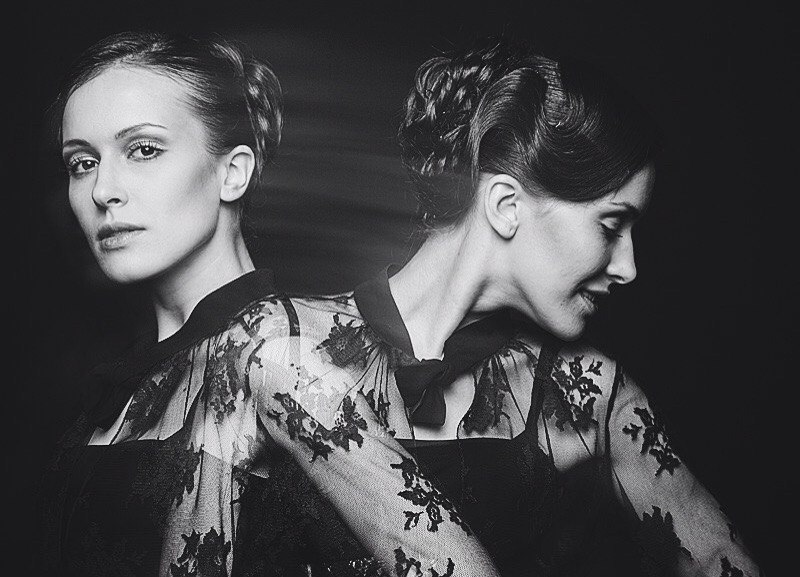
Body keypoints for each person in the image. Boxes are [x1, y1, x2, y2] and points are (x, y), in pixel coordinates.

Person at [228, 37, 764, 576]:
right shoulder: (277, 344)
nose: (628, 267)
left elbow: (720, 558)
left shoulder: (587, 391)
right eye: (611, 225)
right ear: (507, 206)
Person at [37, 30, 498, 577]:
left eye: (143, 150)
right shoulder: (120, 386)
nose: (102, 191)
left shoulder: (278, 356)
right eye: (82, 162)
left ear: (233, 172)